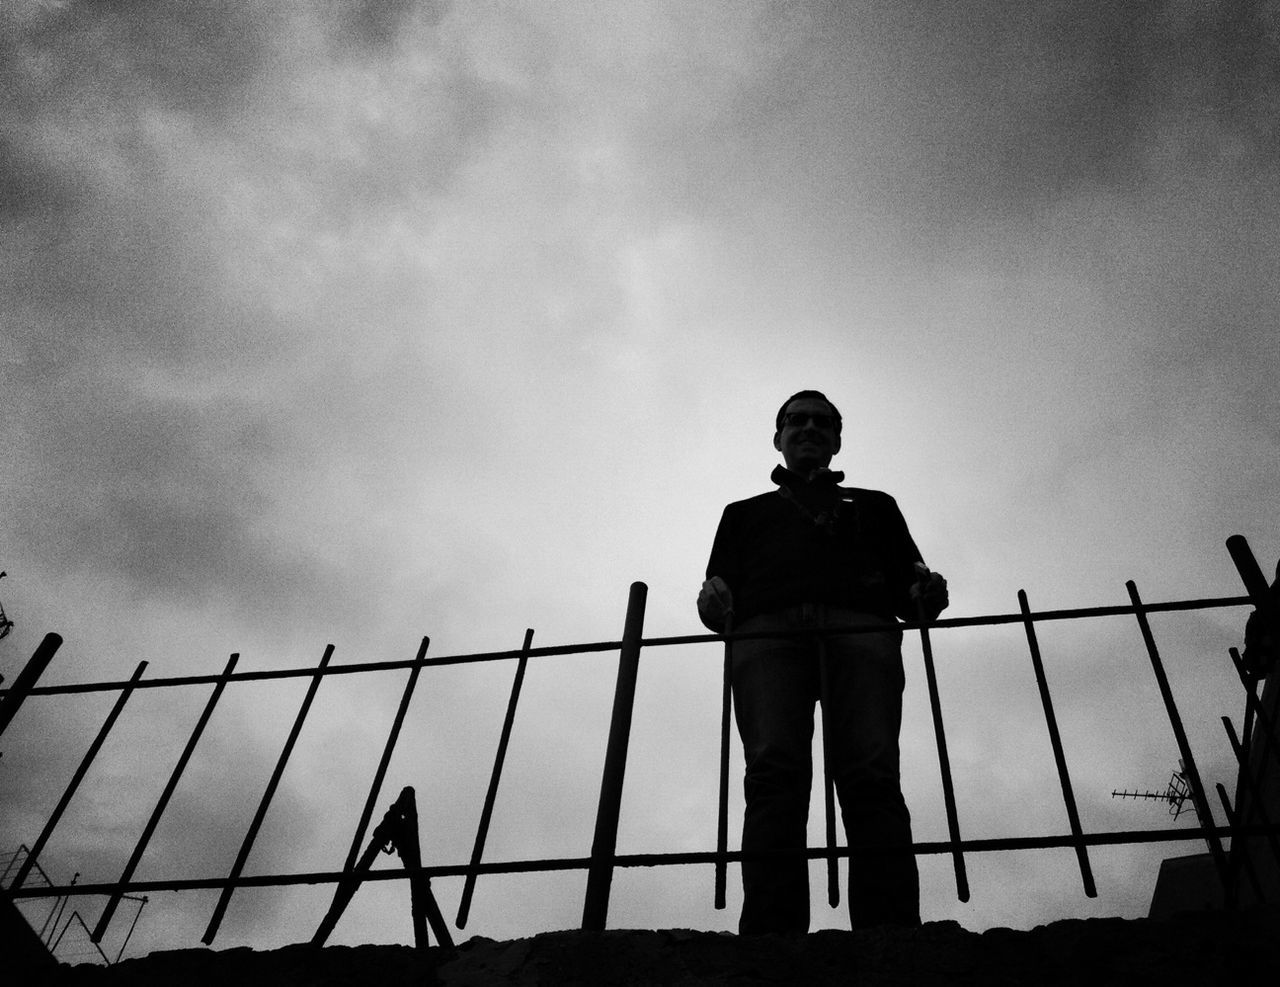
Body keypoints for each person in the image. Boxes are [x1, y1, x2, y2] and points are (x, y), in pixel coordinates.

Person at [697, 389, 948, 935]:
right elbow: (717, 596)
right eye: (797, 420)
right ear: (779, 437)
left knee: (871, 773)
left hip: (860, 629)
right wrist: (712, 601)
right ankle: (771, 935)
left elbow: (912, 591)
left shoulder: (876, 506)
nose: (809, 428)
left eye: (821, 422)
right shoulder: (742, 516)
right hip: (768, 636)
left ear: (836, 439)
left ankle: (890, 935)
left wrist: (925, 591)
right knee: (773, 773)